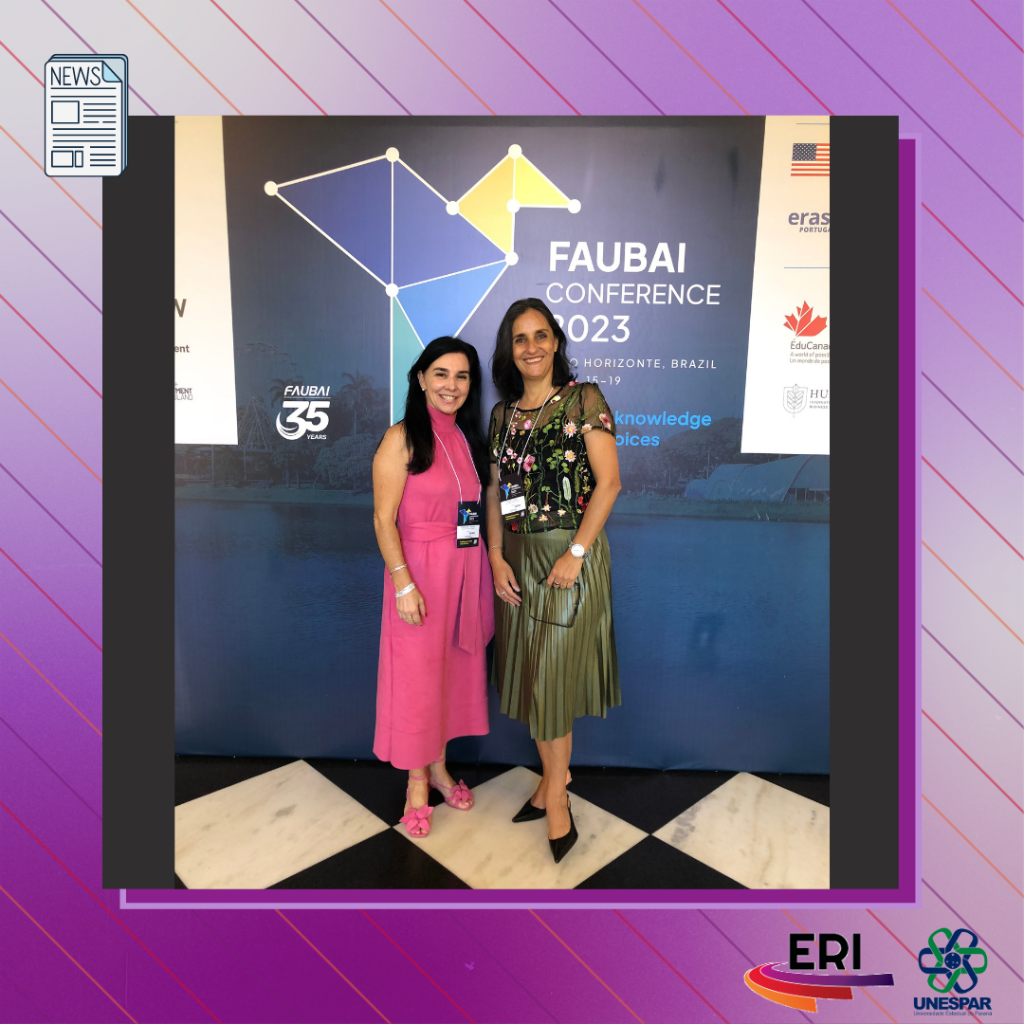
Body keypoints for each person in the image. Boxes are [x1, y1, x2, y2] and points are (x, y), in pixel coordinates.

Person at [486, 298, 622, 863]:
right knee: (531, 677)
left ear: (557, 342)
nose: (532, 347)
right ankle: (548, 782)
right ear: (510, 350)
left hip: (570, 557)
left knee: (550, 683)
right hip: (517, 558)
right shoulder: (502, 416)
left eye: (541, 335)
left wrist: (576, 552)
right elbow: (497, 490)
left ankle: (558, 797)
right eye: (520, 338)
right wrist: (495, 555)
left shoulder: (583, 399)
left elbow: (609, 483)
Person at [372, 337, 494, 838]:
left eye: (462, 376)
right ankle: (417, 782)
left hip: (465, 572)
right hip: (420, 575)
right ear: (421, 378)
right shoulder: (400, 438)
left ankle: (440, 767)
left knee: (450, 675)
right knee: (418, 681)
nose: (451, 385)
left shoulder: (465, 437)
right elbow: (383, 519)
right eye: (441, 374)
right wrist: (404, 584)